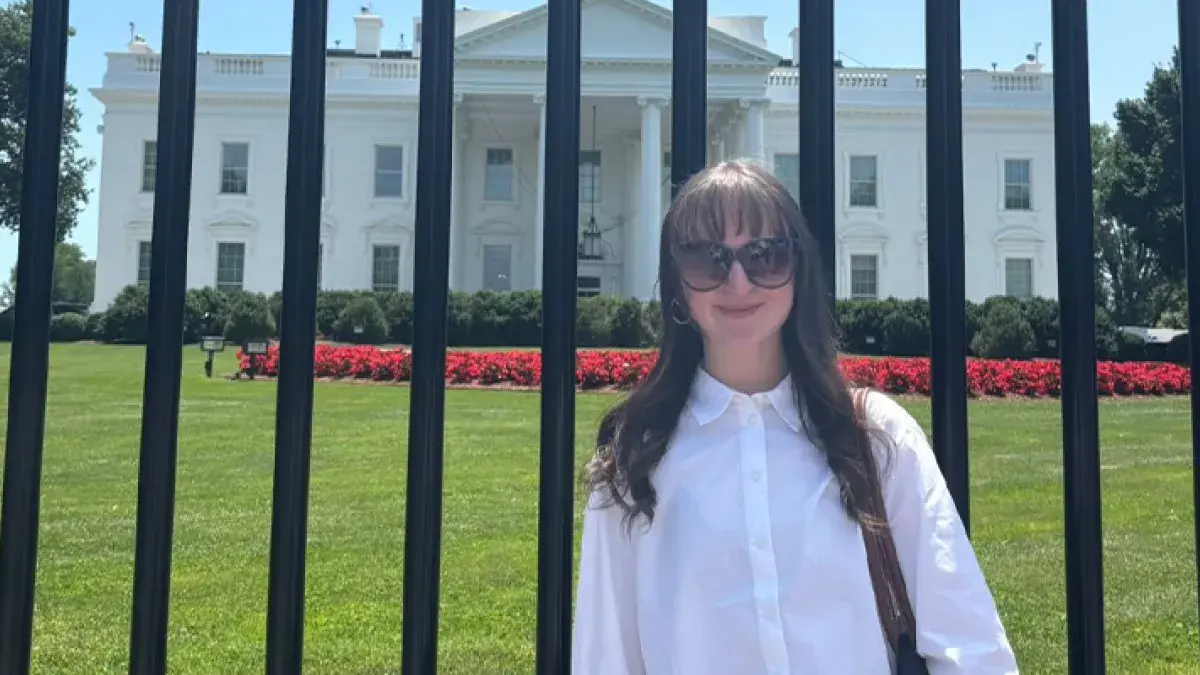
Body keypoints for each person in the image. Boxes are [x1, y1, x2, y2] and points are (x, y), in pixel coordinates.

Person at [571, 160, 1018, 674]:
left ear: (798, 270)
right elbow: (606, 659)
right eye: (706, 259)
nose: (738, 281)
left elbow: (969, 646)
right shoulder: (637, 458)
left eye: (766, 255)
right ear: (677, 284)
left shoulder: (874, 435)